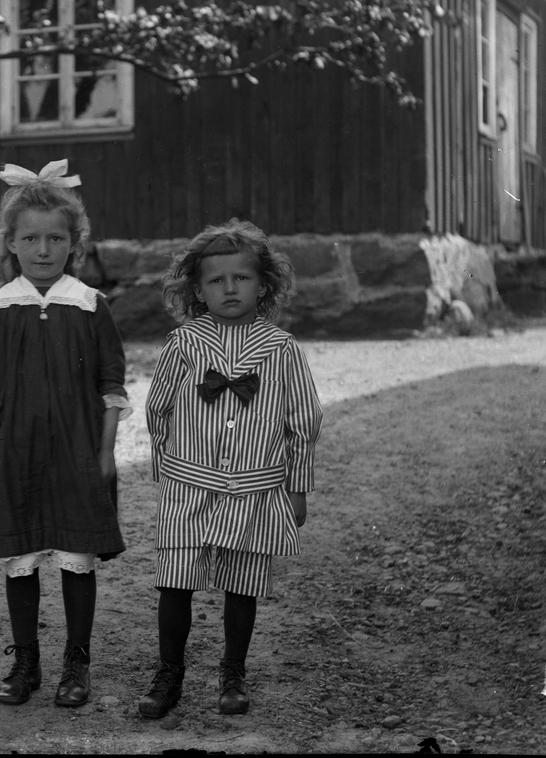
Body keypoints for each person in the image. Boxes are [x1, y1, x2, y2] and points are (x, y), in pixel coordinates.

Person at [0, 159, 130, 709]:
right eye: (30, 238)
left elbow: (111, 385)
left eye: (55, 238)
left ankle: (76, 662)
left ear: (73, 244)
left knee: (77, 556)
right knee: (22, 554)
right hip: (15, 455)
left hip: (78, 453)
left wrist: (104, 452)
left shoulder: (90, 307)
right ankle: (25, 660)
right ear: (10, 243)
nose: (42, 250)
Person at [138, 218, 323, 718]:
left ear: (263, 284)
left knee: (242, 582)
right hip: (189, 488)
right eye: (216, 281)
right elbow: (158, 409)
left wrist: (296, 486)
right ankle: (168, 675)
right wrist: (168, 471)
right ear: (197, 290)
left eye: (240, 278)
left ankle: (233, 674)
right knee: (175, 578)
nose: (229, 288)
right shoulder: (185, 344)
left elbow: (302, 419)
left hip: (255, 490)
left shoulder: (281, 350)